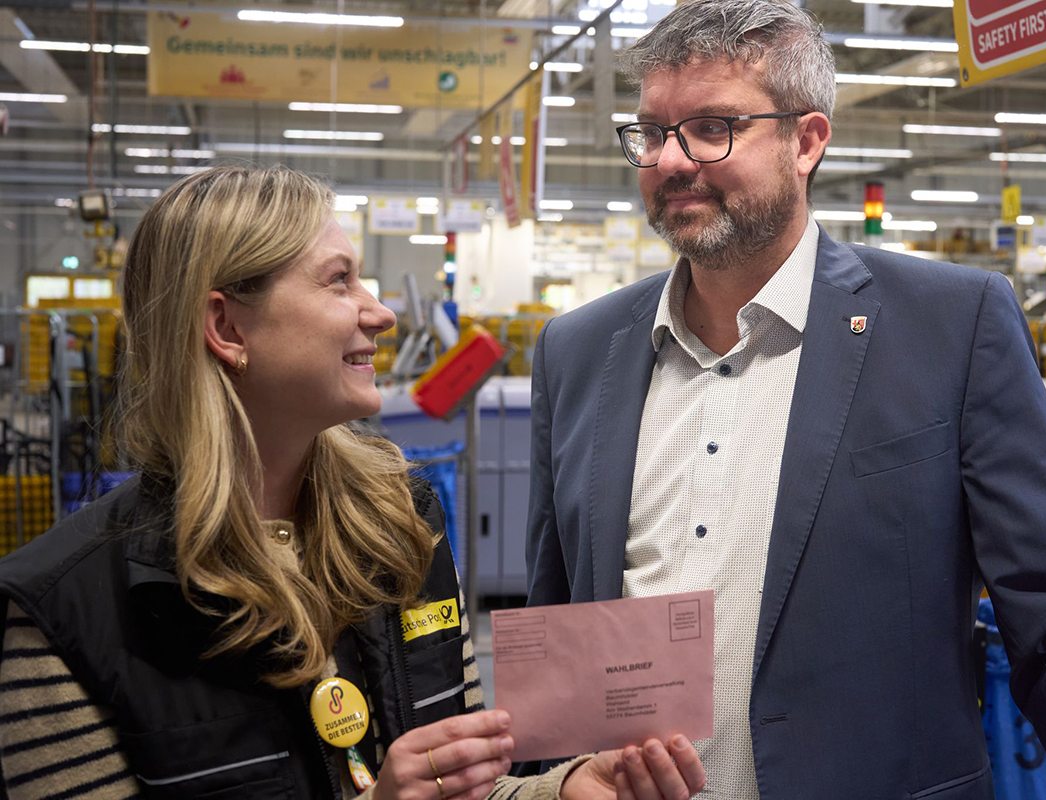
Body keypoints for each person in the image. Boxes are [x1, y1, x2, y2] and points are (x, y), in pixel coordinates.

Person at [523, 1, 1046, 797]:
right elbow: (559, 631)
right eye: (652, 132)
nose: (671, 160)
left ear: (806, 142)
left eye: (711, 128)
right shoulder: (575, 353)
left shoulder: (952, 327)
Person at [0, 166, 705, 800]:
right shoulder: (57, 616)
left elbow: (458, 789)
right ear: (225, 325)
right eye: (339, 280)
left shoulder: (404, 521)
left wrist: (562, 792)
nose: (381, 312)